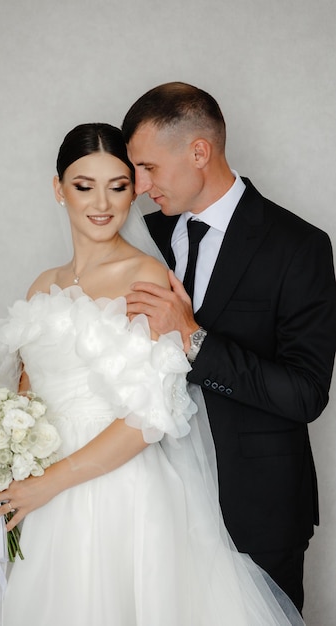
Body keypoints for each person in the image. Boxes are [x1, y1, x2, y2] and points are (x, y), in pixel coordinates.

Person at [0, 122, 305, 626]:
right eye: (84, 185)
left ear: (132, 190)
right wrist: (0, 463)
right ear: (58, 189)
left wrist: (49, 483)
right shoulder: (41, 285)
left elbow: (151, 414)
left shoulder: (145, 276)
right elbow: (26, 394)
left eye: (118, 186)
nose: (102, 203)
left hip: (116, 492)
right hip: (40, 496)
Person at [122, 81, 336, 613]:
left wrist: (194, 339)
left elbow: (306, 394)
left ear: (200, 151)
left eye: (148, 168)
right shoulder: (143, 238)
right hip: (156, 506)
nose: (140, 188)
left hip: (256, 509)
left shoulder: (298, 246)